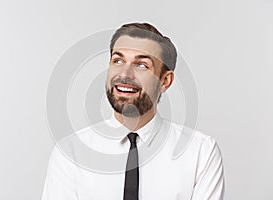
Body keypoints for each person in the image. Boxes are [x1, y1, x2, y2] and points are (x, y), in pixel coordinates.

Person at [42, 22, 225, 200]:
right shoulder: (70, 153)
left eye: (142, 65)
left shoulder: (200, 152)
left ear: (165, 81)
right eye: (118, 60)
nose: (124, 74)